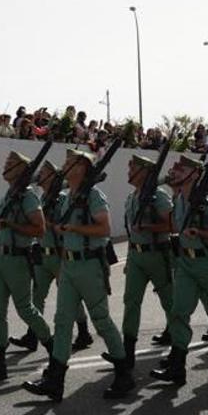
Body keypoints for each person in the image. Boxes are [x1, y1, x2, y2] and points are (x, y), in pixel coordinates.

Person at [23, 150, 133, 401]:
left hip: (89, 265)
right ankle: (55, 380)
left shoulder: (93, 196)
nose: (64, 164)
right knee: (62, 321)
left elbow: (104, 228)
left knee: (101, 319)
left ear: (82, 167)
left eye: (70, 161)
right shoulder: (66, 197)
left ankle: (123, 373)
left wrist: (73, 227)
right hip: (69, 265)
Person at [149, 155, 208, 386]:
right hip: (185, 264)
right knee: (178, 312)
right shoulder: (180, 200)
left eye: (181, 169)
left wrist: (201, 234)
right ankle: (177, 367)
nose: (176, 172)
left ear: (194, 174)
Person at [0, 151, 54, 382]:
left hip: (18, 259)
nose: (5, 165)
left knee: (25, 309)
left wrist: (11, 224)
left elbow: (40, 230)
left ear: (21, 169)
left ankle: (54, 350)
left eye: (10, 163)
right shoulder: (10, 194)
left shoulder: (28, 196)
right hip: (0, 259)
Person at [18, 160, 93, 354]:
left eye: (43, 172)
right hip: (43, 255)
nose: (39, 176)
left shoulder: (60, 199)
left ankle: (84, 332)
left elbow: (63, 226)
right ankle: (33, 334)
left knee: (70, 297)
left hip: (59, 255)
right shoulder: (42, 198)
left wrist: (47, 223)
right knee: (37, 297)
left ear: (52, 176)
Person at [117, 154, 176, 370]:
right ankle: (128, 351)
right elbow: (131, 230)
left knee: (170, 302)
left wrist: (149, 228)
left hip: (158, 254)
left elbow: (174, 224)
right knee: (131, 302)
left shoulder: (158, 196)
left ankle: (177, 350)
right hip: (136, 256)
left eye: (132, 167)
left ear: (144, 171)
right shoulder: (132, 197)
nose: (128, 171)